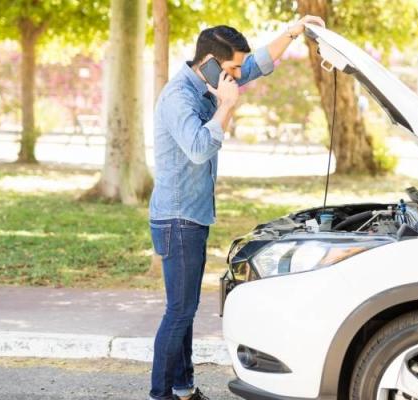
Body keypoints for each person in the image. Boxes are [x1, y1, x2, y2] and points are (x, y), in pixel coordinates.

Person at [147, 15, 325, 400]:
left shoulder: (212, 80)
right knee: (178, 312)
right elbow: (197, 149)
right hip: (176, 220)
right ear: (208, 62)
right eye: (231, 69)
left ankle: (183, 388)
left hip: (191, 216)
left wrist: (293, 31)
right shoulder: (180, 96)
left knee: (185, 311)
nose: (237, 76)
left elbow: (257, 63)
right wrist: (225, 108)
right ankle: (159, 395)